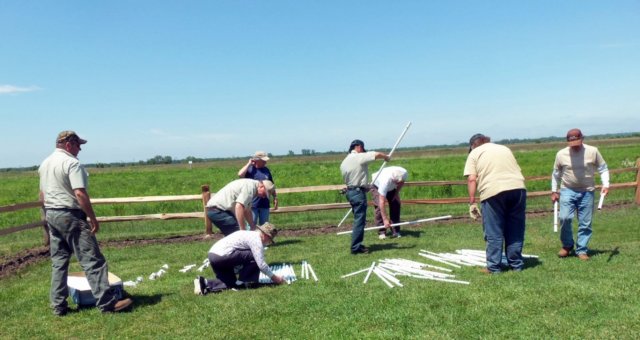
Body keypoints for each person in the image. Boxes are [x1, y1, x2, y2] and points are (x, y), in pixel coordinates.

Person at [38, 131, 133, 315]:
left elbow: (42, 195)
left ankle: (58, 306)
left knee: (59, 262)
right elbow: (80, 193)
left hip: (52, 214)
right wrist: (92, 218)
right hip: (70, 215)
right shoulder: (72, 163)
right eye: (78, 144)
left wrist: (46, 216)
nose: (80, 148)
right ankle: (107, 304)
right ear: (68, 144)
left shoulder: (45, 164)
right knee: (93, 261)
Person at [464, 133, 527, 273]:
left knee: (494, 230)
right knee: (516, 228)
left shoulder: (474, 153)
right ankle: (516, 265)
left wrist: (472, 202)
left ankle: (493, 267)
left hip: (493, 191)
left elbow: (471, 179)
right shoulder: (504, 148)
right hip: (518, 189)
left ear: (473, 145)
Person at [551, 128, 609, 261]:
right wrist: (554, 191)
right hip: (567, 189)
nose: (575, 147)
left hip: (587, 191)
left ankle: (582, 249)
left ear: (582, 139)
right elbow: (555, 174)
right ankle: (567, 245)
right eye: (572, 144)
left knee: (585, 222)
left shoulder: (593, 151)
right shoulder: (561, 154)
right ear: (567, 142)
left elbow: (603, 168)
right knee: (565, 218)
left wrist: (606, 184)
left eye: (577, 143)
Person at [194, 222, 285, 294]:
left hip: (213, 255)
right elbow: (261, 264)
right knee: (254, 256)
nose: (268, 243)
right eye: (269, 240)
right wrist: (275, 278)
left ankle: (203, 282)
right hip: (222, 256)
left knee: (231, 284)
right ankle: (245, 281)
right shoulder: (256, 240)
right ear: (265, 236)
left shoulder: (249, 234)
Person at [340, 139, 390, 254]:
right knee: (359, 220)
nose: (363, 151)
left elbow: (353, 179)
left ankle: (356, 245)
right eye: (362, 148)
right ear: (358, 147)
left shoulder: (345, 161)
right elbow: (376, 154)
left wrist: (364, 186)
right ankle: (356, 247)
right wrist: (386, 157)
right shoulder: (358, 157)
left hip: (351, 192)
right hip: (357, 193)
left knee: (358, 219)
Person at [205, 178, 275, 236]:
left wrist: (252, 226)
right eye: (264, 194)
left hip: (218, 211)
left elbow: (247, 210)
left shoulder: (252, 188)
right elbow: (239, 207)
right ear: (261, 186)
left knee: (234, 235)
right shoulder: (250, 187)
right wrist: (242, 229)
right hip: (217, 211)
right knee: (237, 233)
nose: (264, 196)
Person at [237, 151, 278, 225]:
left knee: (264, 226)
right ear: (257, 160)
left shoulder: (266, 170)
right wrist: (249, 163)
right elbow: (240, 174)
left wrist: (275, 197)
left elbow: (271, 185)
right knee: (251, 226)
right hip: (252, 205)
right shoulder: (249, 170)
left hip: (265, 204)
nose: (265, 162)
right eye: (263, 160)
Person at [371, 166, 408, 239]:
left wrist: (396, 193)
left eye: (399, 182)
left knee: (396, 204)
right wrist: (385, 219)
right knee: (379, 207)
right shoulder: (385, 181)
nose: (398, 184)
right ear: (393, 179)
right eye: (396, 182)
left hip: (391, 187)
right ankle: (382, 231)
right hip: (377, 185)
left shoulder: (404, 173)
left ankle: (395, 230)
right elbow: (382, 202)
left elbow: (401, 183)